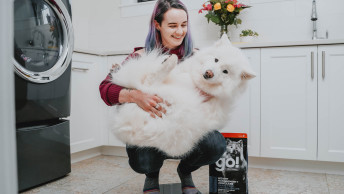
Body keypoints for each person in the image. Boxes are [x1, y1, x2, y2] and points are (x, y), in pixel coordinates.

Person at [99, 0, 226, 193]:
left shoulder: (197, 57)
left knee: (215, 145)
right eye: (173, 25)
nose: (180, 32)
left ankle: (185, 172)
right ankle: (151, 175)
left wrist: (209, 92)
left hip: (186, 129)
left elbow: (222, 86)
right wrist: (135, 96)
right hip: (152, 129)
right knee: (142, 160)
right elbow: (105, 88)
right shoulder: (140, 56)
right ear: (157, 25)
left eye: (184, 25)